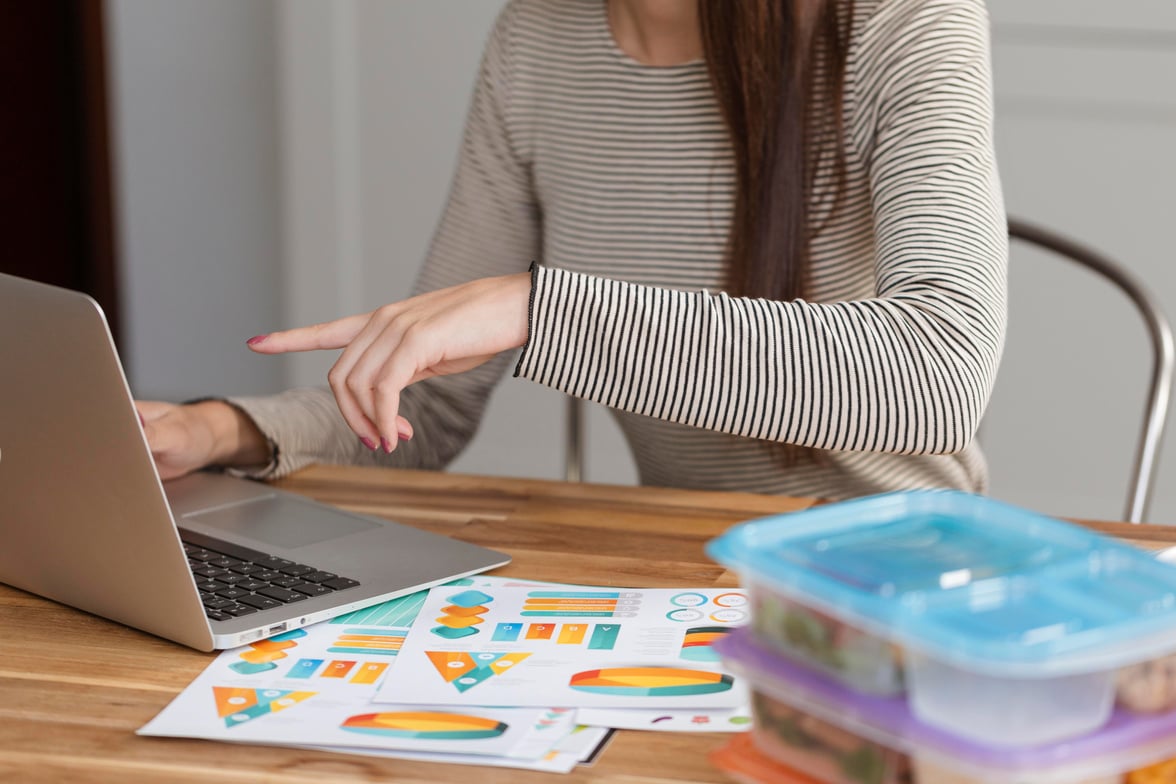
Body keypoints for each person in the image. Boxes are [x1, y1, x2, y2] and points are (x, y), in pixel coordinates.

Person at [138, 0, 1007, 501]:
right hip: (683, 578)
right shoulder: (537, 37)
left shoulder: (904, 19)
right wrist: (216, 429)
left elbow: (939, 379)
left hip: (904, 589)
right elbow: (425, 412)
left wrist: (536, 308)